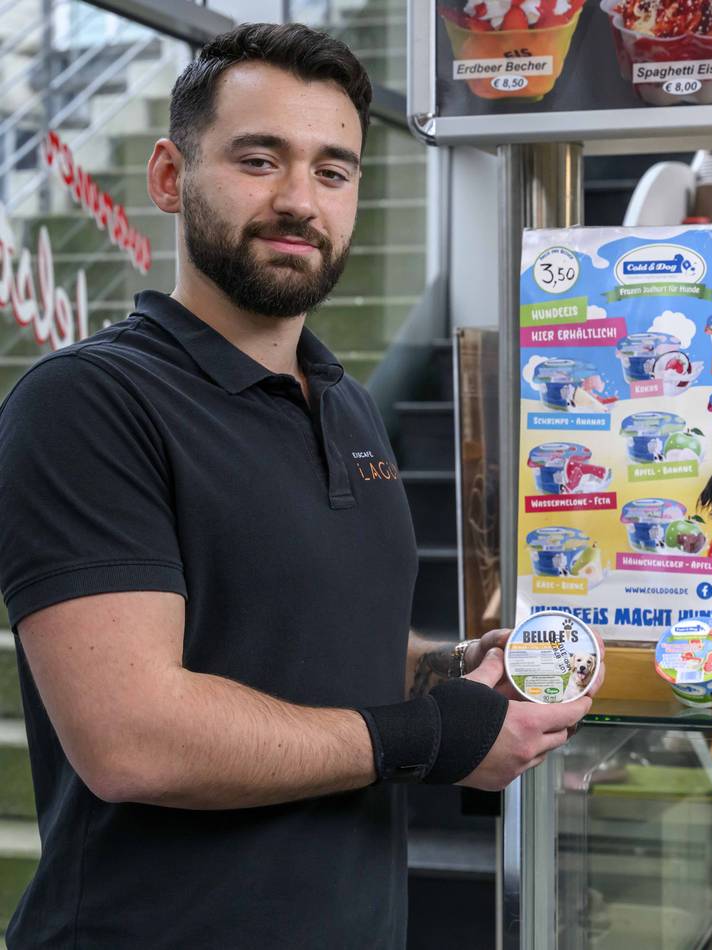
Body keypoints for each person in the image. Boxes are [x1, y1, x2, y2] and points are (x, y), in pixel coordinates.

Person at [0, 22, 603, 950]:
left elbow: (308, 635)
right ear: (169, 177)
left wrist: (458, 666)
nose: (298, 201)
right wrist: (431, 737)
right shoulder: (87, 404)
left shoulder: (346, 403)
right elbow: (131, 737)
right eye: (258, 158)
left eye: (333, 170)